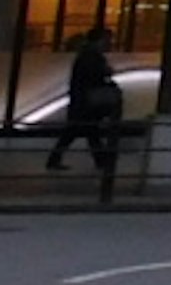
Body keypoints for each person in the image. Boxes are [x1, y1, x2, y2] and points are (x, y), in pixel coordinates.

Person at [44, 28, 122, 175]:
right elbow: (94, 75)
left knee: (85, 131)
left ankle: (98, 160)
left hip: (82, 101)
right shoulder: (92, 56)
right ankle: (99, 161)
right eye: (106, 39)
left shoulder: (86, 55)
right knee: (84, 130)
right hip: (87, 101)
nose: (109, 43)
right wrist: (106, 72)